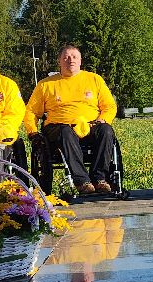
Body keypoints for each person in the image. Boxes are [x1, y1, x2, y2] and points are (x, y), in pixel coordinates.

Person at [25, 45, 119, 193]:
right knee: (66, 131)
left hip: (90, 125)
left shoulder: (94, 79)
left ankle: (99, 178)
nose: (71, 60)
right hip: (58, 127)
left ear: (80, 60)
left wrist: (103, 119)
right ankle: (82, 182)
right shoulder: (45, 84)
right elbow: (31, 111)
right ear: (59, 61)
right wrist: (32, 131)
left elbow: (109, 106)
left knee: (106, 130)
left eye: (74, 57)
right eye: (66, 57)